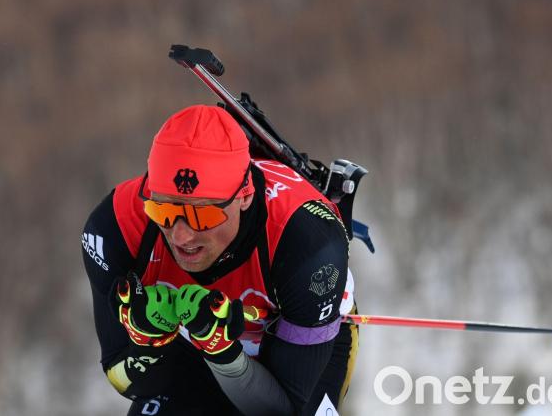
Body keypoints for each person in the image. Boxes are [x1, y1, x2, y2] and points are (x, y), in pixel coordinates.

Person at [82, 104, 359, 415]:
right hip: (192, 348)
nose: (181, 236)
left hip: (293, 342)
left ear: (245, 196)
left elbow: (282, 409)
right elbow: (122, 377)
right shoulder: (117, 227)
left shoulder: (309, 245)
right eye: (164, 212)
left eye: (202, 217)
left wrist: (222, 352)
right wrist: (149, 342)